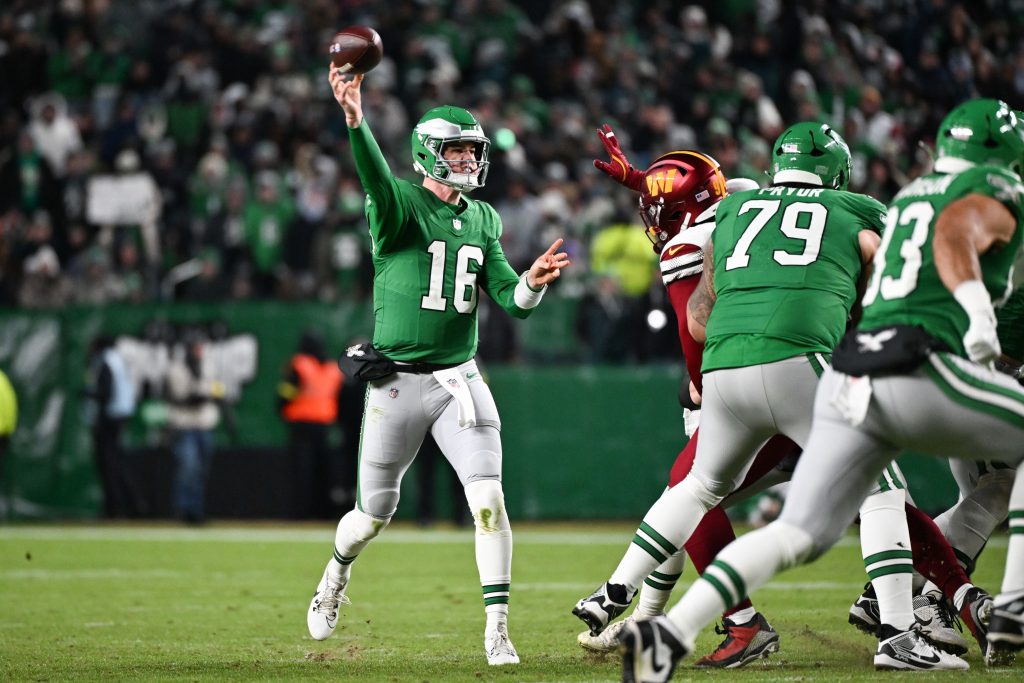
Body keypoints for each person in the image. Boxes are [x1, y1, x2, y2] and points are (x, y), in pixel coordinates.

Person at [618, 98, 1024, 680]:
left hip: (805, 367)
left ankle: (671, 633)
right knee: (900, 491)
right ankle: (961, 617)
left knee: (793, 530)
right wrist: (980, 329)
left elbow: (703, 302)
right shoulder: (883, 206)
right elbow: (945, 270)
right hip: (901, 364)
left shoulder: (885, 202)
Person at [306, 69, 571, 667]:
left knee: (488, 502)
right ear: (429, 152)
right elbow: (373, 172)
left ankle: (497, 629)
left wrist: (531, 281)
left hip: (459, 380)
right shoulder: (400, 207)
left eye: (473, 151)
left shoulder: (483, 219)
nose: (470, 161)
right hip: (397, 381)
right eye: (458, 149)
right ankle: (335, 574)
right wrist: (355, 119)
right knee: (372, 516)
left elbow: (511, 300)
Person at [573, 128, 786, 667]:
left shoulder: (689, 241)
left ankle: (738, 621)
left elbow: (696, 327)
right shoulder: (749, 209)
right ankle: (943, 599)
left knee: (687, 494)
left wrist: (700, 388)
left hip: (752, 384)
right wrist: (640, 179)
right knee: (883, 499)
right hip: (812, 371)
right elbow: (703, 190)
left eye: (654, 207)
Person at [278, 330, 344, 520]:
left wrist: (282, 408)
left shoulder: (300, 365)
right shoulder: (333, 369)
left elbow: (285, 394)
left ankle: (299, 513)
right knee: (324, 470)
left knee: (301, 469)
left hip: (301, 424)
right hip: (324, 425)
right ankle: (324, 512)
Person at [166, 333, 223, 524]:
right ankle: (184, 510)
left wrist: (209, 396)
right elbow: (182, 396)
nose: (199, 352)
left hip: (204, 425)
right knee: (188, 468)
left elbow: (216, 391)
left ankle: (197, 511)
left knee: (201, 471)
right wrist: (200, 394)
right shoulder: (177, 369)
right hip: (185, 425)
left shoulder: (208, 367)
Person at [83, 335, 140, 518]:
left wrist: (88, 393)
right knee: (116, 463)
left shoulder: (105, 361)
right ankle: (129, 507)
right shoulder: (117, 360)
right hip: (120, 416)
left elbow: (106, 392)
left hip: (109, 419)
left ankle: (115, 509)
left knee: (109, 464)